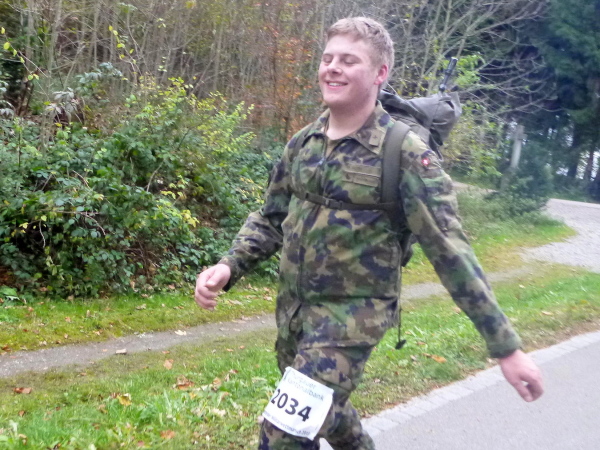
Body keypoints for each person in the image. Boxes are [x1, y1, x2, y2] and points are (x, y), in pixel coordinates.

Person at [195, 16, 543, 450]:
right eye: (328, 58)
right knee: (330, 416)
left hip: (352, 321)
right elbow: (271, 218)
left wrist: (506, 347)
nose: (332, 67)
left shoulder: (405, 154)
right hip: (295, 314)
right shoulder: (303, 143)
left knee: (284, 433)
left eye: (348, 60)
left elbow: (451, 251)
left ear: (380, 73)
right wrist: (229, 265)